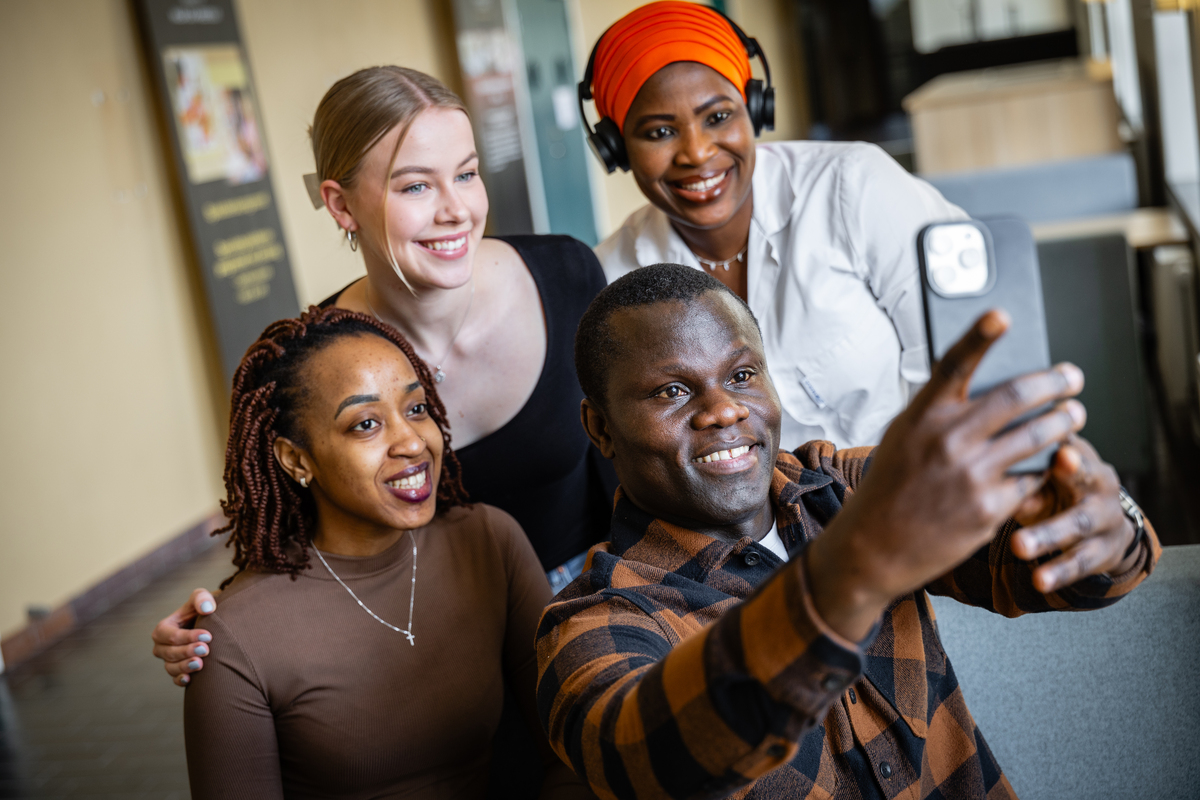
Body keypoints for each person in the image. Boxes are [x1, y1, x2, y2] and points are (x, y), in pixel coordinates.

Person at [537, 264, 1159, 800]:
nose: (725, 410)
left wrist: (1102, 524)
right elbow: (651, 766)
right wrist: (850, 572)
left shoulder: (851, 487)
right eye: (673, 391)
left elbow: (1052, 574)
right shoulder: (592, 620)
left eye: (742, 376)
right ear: (601, 429)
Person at [153, 66, 617, 684]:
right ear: (342, 205)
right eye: (416, 187)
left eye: (467, 174)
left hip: (599, 609)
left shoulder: (567, 276)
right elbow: (295, 533)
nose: (456, 210)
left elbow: (632, 468)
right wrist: (221, 620)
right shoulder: (316, 363)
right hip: (429, 642)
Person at [184, 304, 588, 799]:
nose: (412, 442)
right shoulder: (235, 637)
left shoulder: (488, 541)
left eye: (416, 409)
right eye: (365, 424)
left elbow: (570, 751)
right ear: (296, 459)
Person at [582, 1, 967, 449]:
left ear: (755, 108)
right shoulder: (612, 278)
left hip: (917, 484)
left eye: (718, 117)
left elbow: (964, 357)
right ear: (616, 149)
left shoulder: (853, 187)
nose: (697, 153)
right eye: (659, 132)